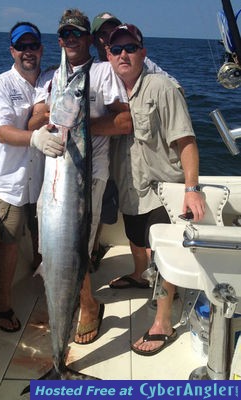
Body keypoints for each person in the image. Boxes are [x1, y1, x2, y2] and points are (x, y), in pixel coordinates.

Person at [28, 9, 132, 345]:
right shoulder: (52, 77)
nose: (70, 39)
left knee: (77, 249)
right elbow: (36, 120)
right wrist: (38, 131)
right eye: (64, 35)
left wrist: (79, 125)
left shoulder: (103, 73)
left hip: (88, 177)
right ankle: (65, 328)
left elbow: (125, 121)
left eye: (77, 33)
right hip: (53, 179)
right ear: (59, 40)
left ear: (89, 38)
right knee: (51, 250)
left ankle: (88, 307)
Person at [105, 23, 206, 355]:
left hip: (164, 190)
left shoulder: (162, 87)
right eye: (116, 49)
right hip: (130, 190)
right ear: (107, 55)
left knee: (163, 257)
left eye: (130, 48)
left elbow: (186, 141)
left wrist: (192, 189)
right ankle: (138, 274)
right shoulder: (111, 93)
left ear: (142, 52)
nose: (123, 54)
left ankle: (162, 322)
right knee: (136, 240)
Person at [0, 22, 47, 332]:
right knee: (9, 242)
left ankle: (44, 280)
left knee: (42, 236)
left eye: (32, 45)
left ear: (41, 49)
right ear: (12, 51)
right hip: (11, 180)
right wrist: (34, 138)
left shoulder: (49, 81)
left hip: (45, 179)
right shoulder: (1, 85)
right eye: (21, 47)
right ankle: (4, 304)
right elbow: (1, 131)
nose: (27, 52)